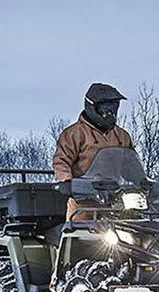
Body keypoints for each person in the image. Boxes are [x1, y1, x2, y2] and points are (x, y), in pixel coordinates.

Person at [53, 82, 134, 222]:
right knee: (82, 237)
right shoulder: (74, 134)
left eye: (114, 107)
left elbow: (131, 165)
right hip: (84, 204)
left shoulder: (122, 136)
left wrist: (144, 182)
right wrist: (67, 182)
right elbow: (61, 161)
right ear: (92, 106)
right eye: (105, 107)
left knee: (142, 236)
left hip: (117, 202)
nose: (110, 112)